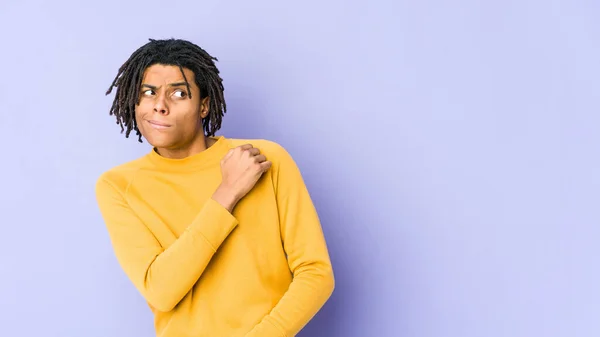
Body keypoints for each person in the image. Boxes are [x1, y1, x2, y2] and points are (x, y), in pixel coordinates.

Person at [94, 38, 334, 337]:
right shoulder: (118, 186)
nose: (160, 105)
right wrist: (227, 193)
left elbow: (316, 273)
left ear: (204, 106)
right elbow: (162, 291)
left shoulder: (264, 159)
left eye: (179, 93)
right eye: (148, 93)